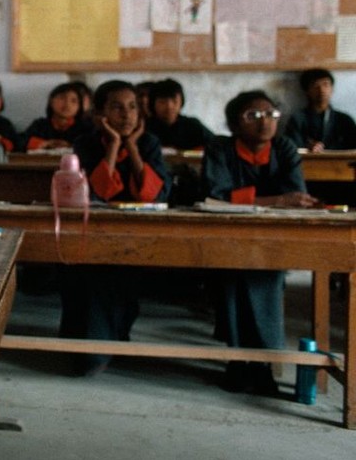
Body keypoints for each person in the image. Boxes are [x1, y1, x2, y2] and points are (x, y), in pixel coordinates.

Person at [202, 90, 318, 395]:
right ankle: (237, 363)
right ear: (234, 123)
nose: (264, 122)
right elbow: (217, 194)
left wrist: (259, 200)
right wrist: (276, 199)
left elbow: (298, 197)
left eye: (270, 115)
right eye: (252, 116)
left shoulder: (284, 148)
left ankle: (264, 366)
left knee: (266, 293)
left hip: (271, 237)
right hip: (227, 235)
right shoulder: (220, 148)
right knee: (231, 292)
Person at [59, 80, 170, 375]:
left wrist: (131, 146)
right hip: (91, 231)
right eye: (117, 107)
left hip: (136, 232)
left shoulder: (149, 144)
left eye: (133, 107)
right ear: (101, 113)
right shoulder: (86, 143)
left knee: (125, 289)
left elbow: (152, 195)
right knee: (92, 287)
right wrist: (114, 147)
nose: (127, 115)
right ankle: (91, 353)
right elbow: (98, 193)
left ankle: (115, 344)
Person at [145, 77, 215, 206]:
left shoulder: (192, 125)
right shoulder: (145, 127)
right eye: (162, 102)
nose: (169, 106)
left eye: (174, 100)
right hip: (156, 181)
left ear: (181, 102)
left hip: (191, 178)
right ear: (152, 104)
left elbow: (215, 145)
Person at [284, 68, 356, 152]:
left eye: (325, 84)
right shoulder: (297, 119)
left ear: (332, 89)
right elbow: (292, 148)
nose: (321, 90)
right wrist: (308, 147)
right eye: (315, 86)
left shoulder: (345, 120)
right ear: (307, 91)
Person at [20, 82, 93, 151]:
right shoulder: (40, 125)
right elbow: (22, 142)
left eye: (74, 101)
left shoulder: (85, 128)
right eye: (62, 98)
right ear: (51, 101)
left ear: (79, 107)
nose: (67, 104)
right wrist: (46, 144)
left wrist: (70, 146)